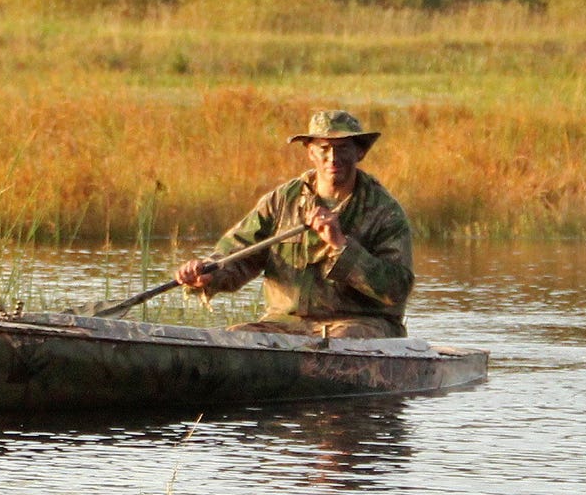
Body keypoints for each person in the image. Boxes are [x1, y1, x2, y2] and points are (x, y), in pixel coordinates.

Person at [171, 109, 414, 340]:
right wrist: (208, 275)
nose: (333, 158)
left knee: (338, 343)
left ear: (359, 153)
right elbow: (239, 255)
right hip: (285, 325)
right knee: (234, 337)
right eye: (324, 148)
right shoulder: (281, 201)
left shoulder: (385, 211)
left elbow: (396, 289)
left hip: (361, 324)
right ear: (310, 152)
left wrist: (340, 245)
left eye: (342, 149)